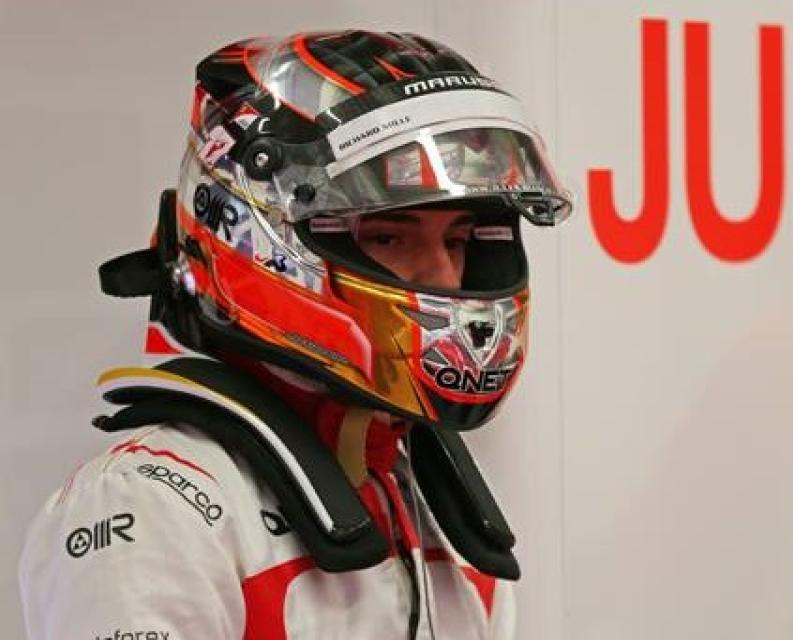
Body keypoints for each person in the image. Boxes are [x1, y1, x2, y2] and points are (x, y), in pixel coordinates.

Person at [18, 30, 571, 639]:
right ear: (265, 237)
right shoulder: (153, 504)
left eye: (459, 240)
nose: (443, 276)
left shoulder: (435, 507)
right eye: (390, 237)